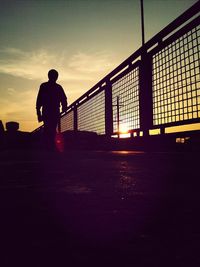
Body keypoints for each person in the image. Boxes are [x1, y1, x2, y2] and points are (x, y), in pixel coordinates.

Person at [36, 69, 67, 150]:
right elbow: (64, 99)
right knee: (51, 128)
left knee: (48, 128)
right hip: (53, 111)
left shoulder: (44, 86)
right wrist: (64, 108)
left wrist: (39, 113)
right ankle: (50, 146)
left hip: (48, 111)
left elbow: (39, 101)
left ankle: (48, 145)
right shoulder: (58, 87)